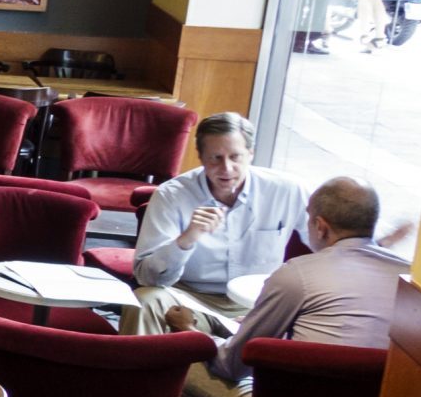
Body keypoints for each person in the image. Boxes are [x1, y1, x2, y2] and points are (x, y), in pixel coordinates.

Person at [174, 177, 400, 397]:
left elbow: (231, 365)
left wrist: (191, 332)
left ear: (320, 226)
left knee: (185, 361)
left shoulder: (299, 273)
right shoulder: (410, 278)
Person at [130, 112, 309, 336]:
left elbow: (328, 248)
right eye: (215, 158)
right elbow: (147, 277)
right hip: (191, 299)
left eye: (235, 157)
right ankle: (140, 371)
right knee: (145, 301)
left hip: (260, 303)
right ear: (201, 157)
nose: (226, 168)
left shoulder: (288, 190)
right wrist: (186, 240)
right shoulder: (171, 195)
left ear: (251, 154)